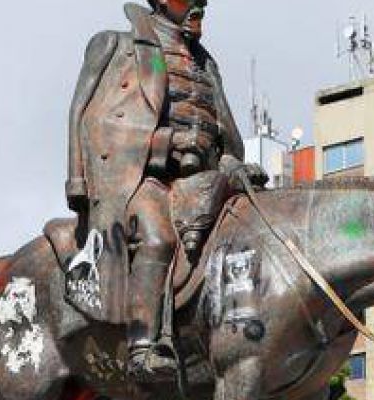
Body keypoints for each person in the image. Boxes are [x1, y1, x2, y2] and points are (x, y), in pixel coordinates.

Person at [66, 0, 260, 380]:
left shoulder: (207, 66)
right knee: (158, 239)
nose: (200, 4)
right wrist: (167, 142)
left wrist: (234, 165)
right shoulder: (118, 47)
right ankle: (142, 347)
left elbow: (223, 137)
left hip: (201, 180)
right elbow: (98, 123)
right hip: (143, 177)